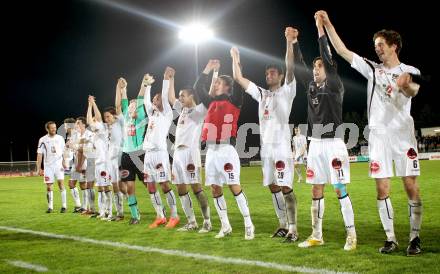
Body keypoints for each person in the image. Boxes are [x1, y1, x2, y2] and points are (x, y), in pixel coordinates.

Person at [320, 10, 423, 255]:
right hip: (378, 136)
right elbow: (343, 51)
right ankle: (391, 239)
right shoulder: (372, 69)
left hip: (402, 135)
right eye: (375, 45)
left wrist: (405, 84)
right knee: (382, 189)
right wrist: (327, 24)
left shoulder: (411, 70)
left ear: (394, 46)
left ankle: (415, 238)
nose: (376, 49)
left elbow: (413, 92)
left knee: (410, 185)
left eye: (380, 45)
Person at [291, 15, 356, 251]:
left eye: (319, 67)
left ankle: (351, 235)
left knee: (339, 188)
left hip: (334, 143)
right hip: (315, 143)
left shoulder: (335, 85)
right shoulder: (311, 87)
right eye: (315, 67)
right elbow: (298, 66)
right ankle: (317, 235)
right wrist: (294, 42)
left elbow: (327, 56)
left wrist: (320, 28)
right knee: (316, 189)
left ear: (328, 71)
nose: (316, 69)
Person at [230, 26, 298, 242]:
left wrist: (289, 42)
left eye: (272, 73)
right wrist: (235, 57)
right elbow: (239, 78)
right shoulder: (262, 94)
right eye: (266, 73)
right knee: (272, 186)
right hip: (266, 148)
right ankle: (282, 224)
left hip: (281, 147)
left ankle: (293, 228)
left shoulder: (287, 90)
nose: (268, 75)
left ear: (280, 75)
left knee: (286, 186)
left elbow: (290, 65)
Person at [194, 59, 254, 240]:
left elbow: (238, 79)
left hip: (227, 149)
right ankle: (225, 226)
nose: (215, 84)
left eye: (219, 82)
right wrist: (208, 68)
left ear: (227, 87)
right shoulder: (210, 101)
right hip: (211, 151)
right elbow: (198, 87)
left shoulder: (235, 100)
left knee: (234, 186)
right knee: (214, 188)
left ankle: (248, 224)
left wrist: (236, 59)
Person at [167, 67, 212, 233]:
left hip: (190, 154)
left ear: (191, 96)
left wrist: (211, 73)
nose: (180, 98)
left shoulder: (199, 111)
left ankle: (207, 221)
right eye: (180, 96)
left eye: (183, 96)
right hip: (177, 153)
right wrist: (171, 78)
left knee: (196, 188)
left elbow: (208, 98)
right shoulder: (183, 110)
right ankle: (191, 222)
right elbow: (171, 98)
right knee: (180, 188)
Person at [143, 67, 180, 229]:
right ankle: (160, 216)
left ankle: (174, 215)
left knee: (164, 185)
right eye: (154, 99)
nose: (154, 101)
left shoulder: (167, 114)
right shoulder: (152, 114)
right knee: (150, 186)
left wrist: (166, 79)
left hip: (160, 154)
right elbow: (145, 102)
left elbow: (165, 97)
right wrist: (147, 86)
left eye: (157, 99)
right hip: (148, 155)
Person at [118, 75, 152, 225]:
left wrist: (143, 84)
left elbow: (139, 97)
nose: (132, 106)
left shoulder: (141, 117)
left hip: (139, 155)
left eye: (134, 105)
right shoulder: (126, 116)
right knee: (130, 187)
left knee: (148, 184)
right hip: (126, 156)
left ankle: (160, 211)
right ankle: (134, 215)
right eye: (130, 106)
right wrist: (123, 88)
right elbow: (123, 100)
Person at [36, 121, 67, 213]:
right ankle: (50, 207)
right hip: (48, 166)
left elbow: (64, 151)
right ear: (47, 129)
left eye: (55, 127)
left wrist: (64, 162)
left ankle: (64, 206)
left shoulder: (60, 138)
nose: (54, 129)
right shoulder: (42, 140)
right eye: (52, 128)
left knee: (61, 184)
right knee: (49, 187)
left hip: (59, 165)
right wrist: (39, 168)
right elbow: (39, 154)